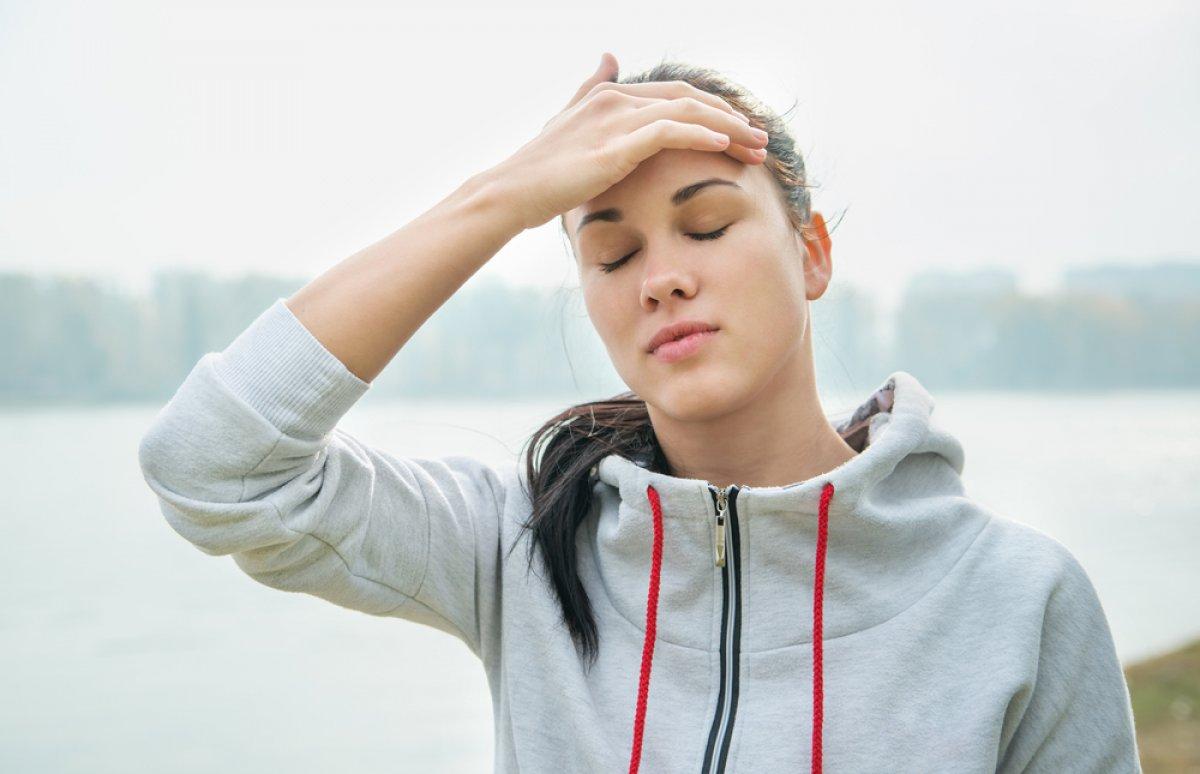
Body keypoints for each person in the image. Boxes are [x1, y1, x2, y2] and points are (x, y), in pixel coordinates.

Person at [137, 52, 1141, 773]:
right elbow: (212, 466)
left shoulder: (1018, 602)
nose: (660, 278)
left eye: (705, 226)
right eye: (612, 254)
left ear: (812, 253)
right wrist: (502, 197)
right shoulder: (518, 550)